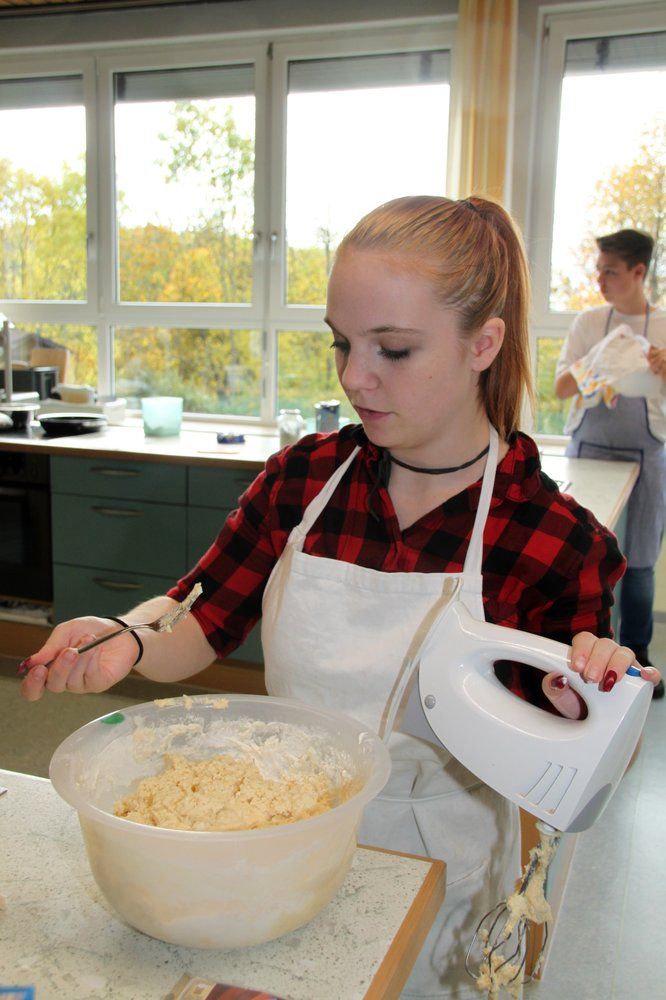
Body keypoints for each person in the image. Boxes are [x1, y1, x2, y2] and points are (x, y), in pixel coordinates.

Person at [20, 197, 661, 999]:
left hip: (439, 871)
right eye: (342, 343)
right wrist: (128, 636)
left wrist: (590, 699)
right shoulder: (305, 480)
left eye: (393, 349)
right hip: (275, 841)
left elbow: (576, 751)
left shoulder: (547, 536)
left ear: (484, 344)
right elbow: (199, 616)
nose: (356, 376)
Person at [555, 228, 666, 700]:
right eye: (598, 270)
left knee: (639, 563)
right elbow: (561, 388)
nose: (600, 281)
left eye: (611, 272)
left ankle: (637, 660)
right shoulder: (588, 323)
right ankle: (577, 656)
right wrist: (598, 362)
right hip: (590, 451)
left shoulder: (662, 326)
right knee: (581, 558)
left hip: (647, 454)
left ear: (639, 272)